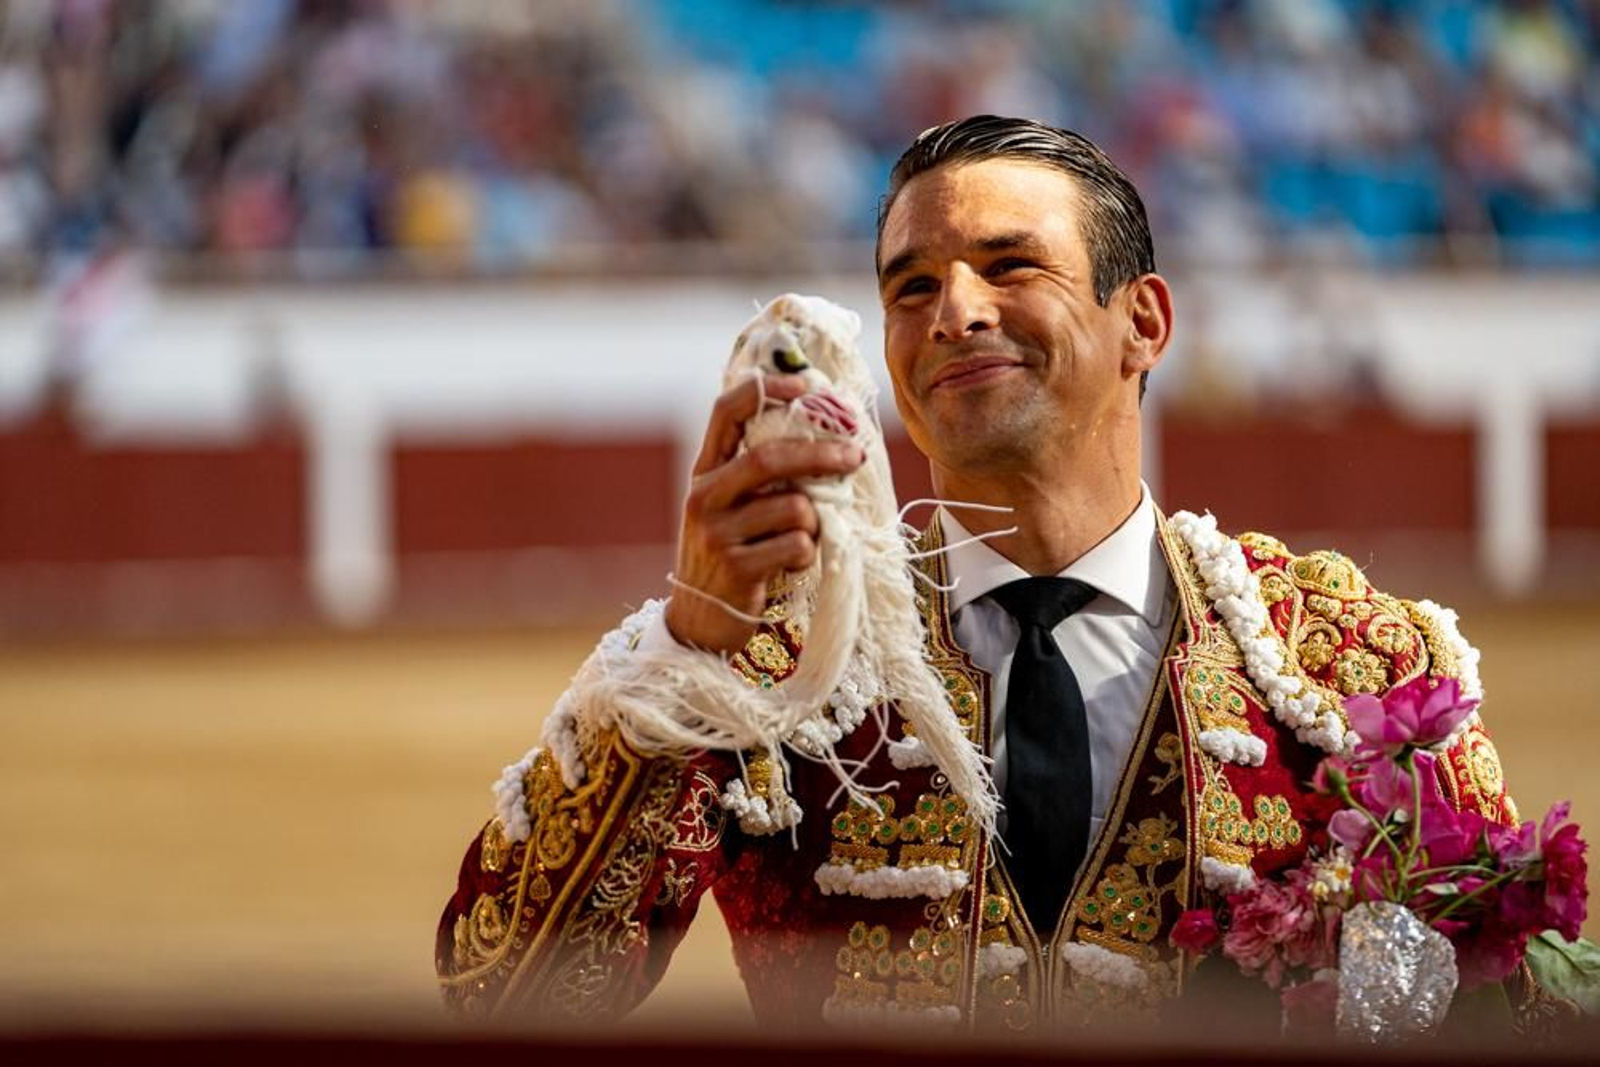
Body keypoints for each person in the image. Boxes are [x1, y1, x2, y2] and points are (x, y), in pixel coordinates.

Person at [435, 116, 1523, 1035]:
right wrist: (689, 646)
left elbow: (1512, 1003)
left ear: (1142, 322)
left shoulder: (1346, 658)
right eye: (911, 287)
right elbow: (500, 996)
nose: (953, 311)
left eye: (1009, 266)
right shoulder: (771, 649)